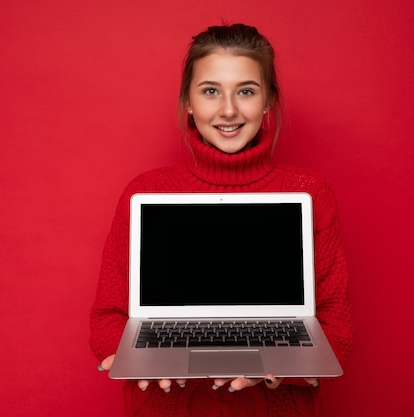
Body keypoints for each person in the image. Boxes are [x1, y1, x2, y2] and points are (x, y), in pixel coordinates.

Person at [91, 23, 354, 417]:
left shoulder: (310, 192)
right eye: (211, 90)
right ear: (189, 102)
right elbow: (108, 318)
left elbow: (337, 333)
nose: (228, 109)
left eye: (246, 91)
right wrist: (133, 356)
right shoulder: (147, 191)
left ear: (267, 101)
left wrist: (280, 368)